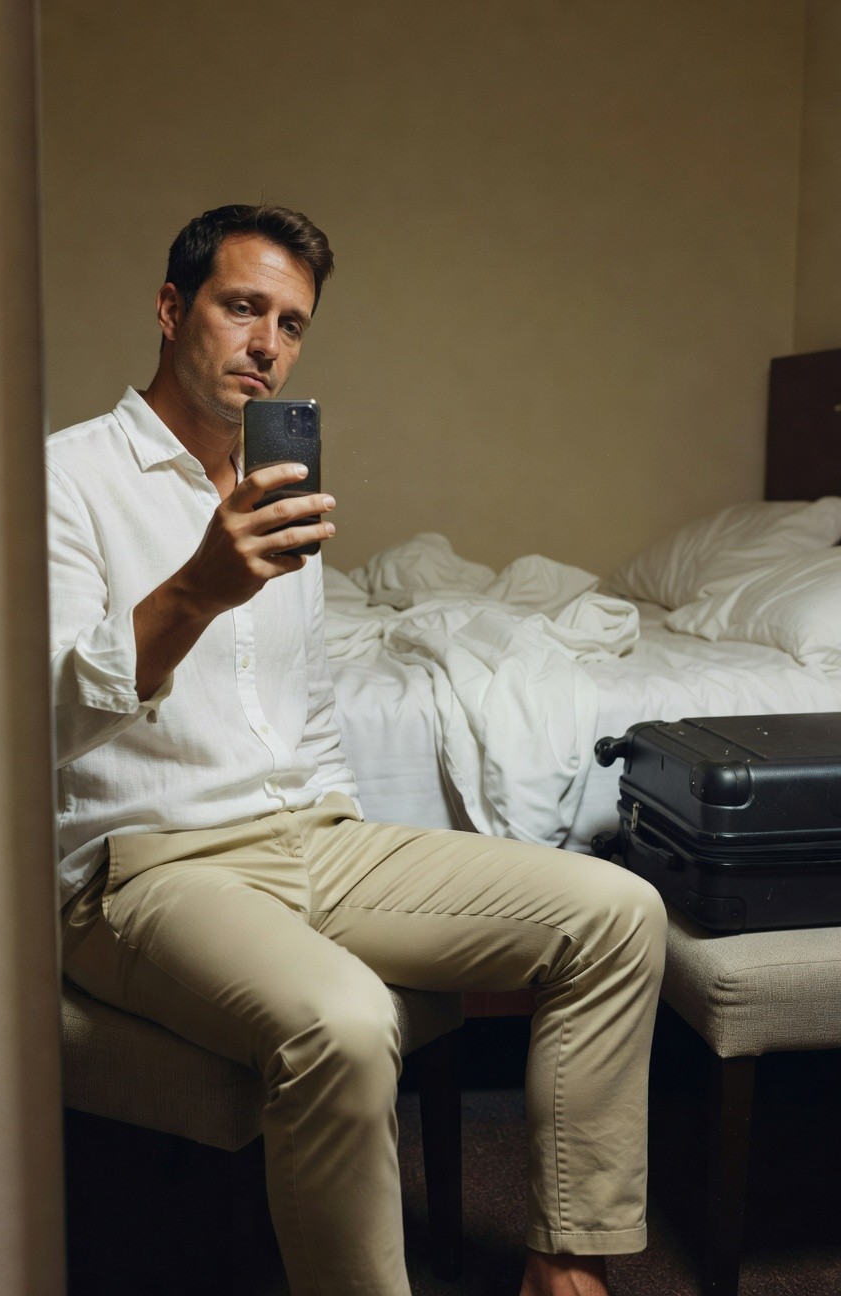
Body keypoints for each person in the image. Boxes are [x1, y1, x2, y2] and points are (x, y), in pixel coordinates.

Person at [49, 202, 667, 1296]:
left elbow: (313, 708)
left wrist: (336, 818)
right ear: (168, 307)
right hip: (147, 870)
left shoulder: (276, 485)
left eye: (291, 324)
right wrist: (197, 588)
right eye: (244, 307)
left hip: (314, 839)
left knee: (617, 912)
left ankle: (565, 1268)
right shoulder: (62, 479)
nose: (266, 345)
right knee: (343, 1018)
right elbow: (39, 718)